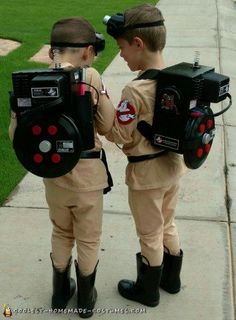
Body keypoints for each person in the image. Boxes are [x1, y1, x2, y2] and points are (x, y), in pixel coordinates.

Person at [9, 17, 114, 318]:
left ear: (53, 51)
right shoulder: (89, 75)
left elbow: (16, 135)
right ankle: (85, 298)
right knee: (89, 237)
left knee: (61, 230)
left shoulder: (30, 79)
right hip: (88, 176)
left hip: (53, 176)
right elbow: (106, 125)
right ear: (87, 52)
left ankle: (59, 293)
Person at [104, 4, 186, 307]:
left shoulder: (135, 90)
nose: (122, 55)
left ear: (138, 44)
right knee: (168, 223)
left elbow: (120, 134)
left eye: (122, 48)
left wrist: (104, 110)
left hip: (146, 177)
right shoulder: (178, 80)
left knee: (150, 233)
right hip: (173, 168)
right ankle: (172, 279)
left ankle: (148, 290)